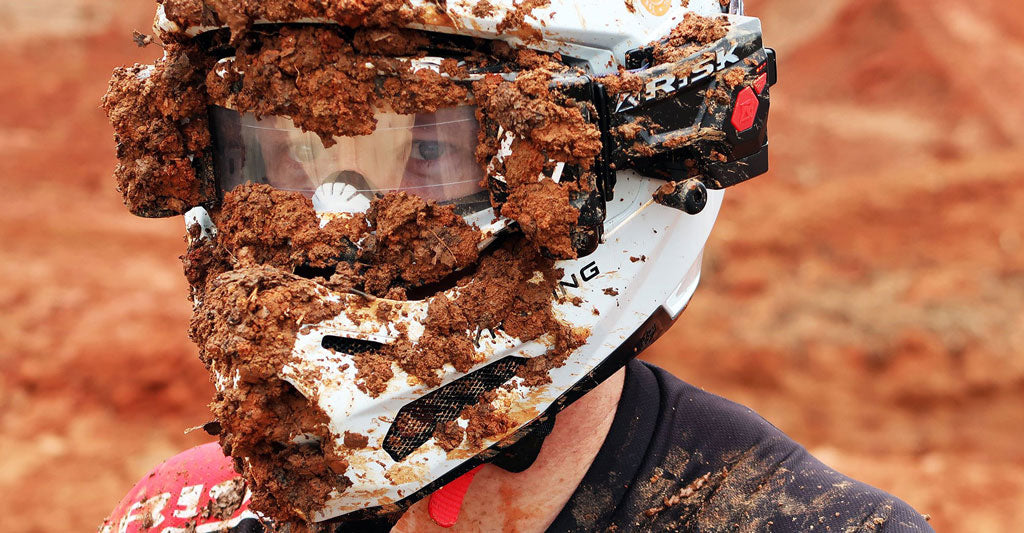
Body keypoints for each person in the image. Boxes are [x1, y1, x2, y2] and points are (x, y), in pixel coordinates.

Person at [100, 0, 933, 531]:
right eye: (279, 152)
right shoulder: (184, 511)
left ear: (623, 154)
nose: (335, 216)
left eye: (425, 145)